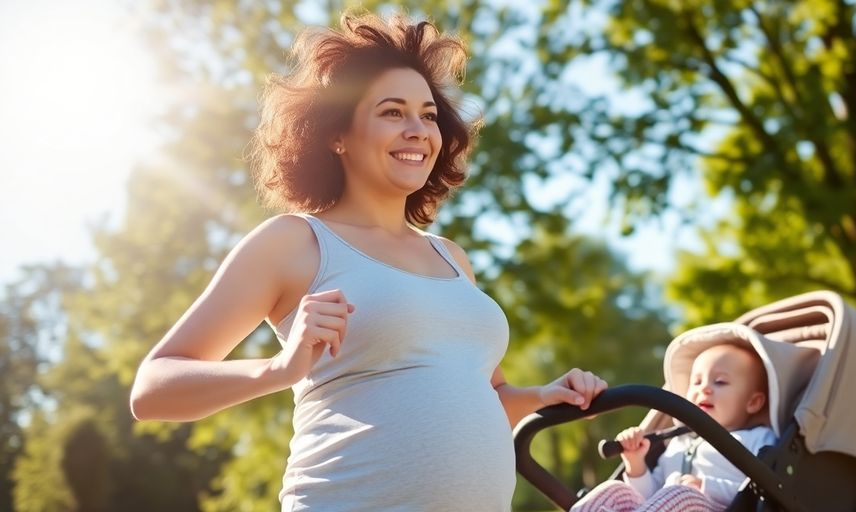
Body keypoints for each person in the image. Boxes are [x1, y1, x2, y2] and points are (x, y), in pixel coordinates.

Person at [128, 12, 607, 512]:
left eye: (428, 115)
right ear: (338, 136)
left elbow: (482, 396)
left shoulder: (451, 257)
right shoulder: (295, 241)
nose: (418, 130)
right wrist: (278, 368)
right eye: (393, 112)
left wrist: (545, 396)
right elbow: (153, 388)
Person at [571, 343, 776, 512]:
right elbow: (648, 497)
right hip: (665, 505)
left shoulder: (757, 439)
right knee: (614, 490)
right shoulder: (677, 443)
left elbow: (765, 492)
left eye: (720, 382)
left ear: (753, 403)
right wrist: (635, 464)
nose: (703, 388)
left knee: (682, 494)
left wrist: (705, 487)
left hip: (714, 507)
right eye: (696, 382)